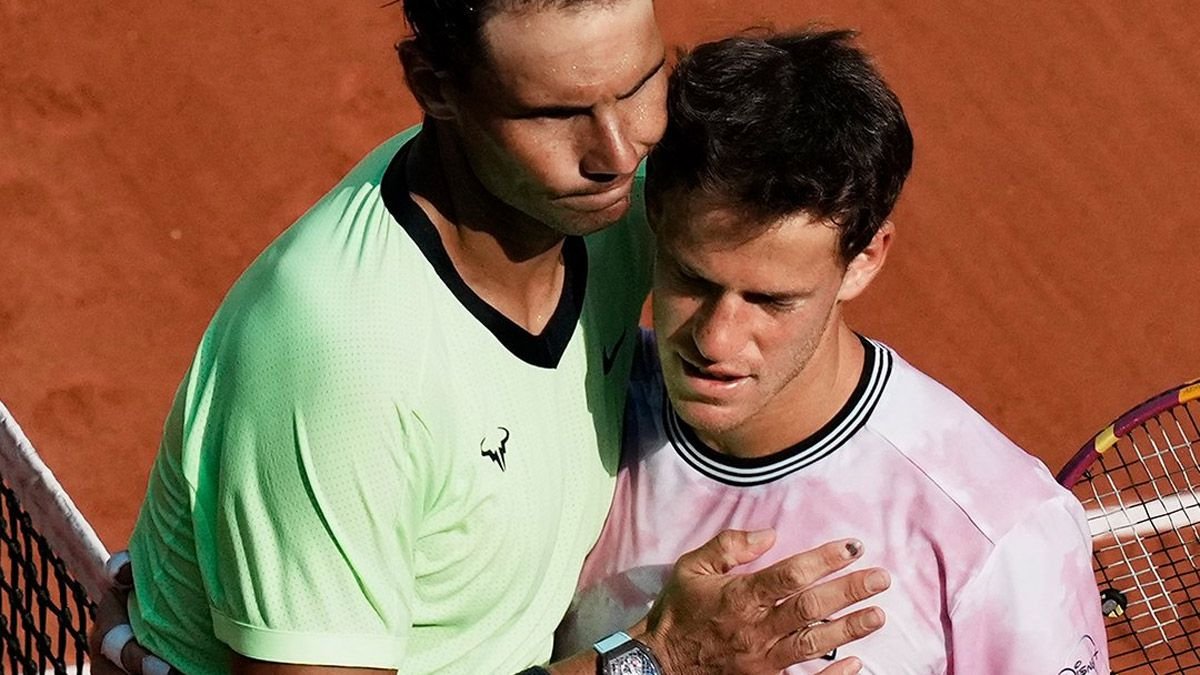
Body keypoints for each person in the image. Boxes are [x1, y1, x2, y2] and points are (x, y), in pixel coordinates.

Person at [88, 2, 889, 675]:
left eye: (641, 84)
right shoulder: (344, 356)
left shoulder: (614, 197)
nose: (618, 152)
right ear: (434, 85)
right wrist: (657, 659)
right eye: (556, 114)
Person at [555, 28, 1109, 674]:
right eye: (693, 280)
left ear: (864, 259)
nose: (715, 339)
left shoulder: (996, 533)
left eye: (771, 300)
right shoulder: (581, 393)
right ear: (653, 211)